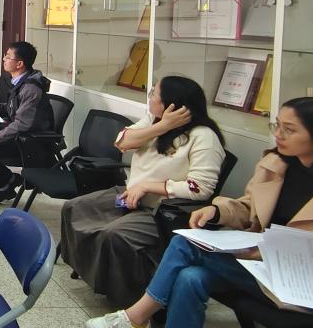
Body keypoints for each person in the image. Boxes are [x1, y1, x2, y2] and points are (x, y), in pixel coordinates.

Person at [87, 97, 313, 328]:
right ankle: (136, 318)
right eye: (277, 125)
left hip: (304, 282)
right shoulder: (276, 164)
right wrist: (216, 211)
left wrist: (268, 251)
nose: (278, 134)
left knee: (184, 244)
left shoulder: (205, 137)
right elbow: (250, 207)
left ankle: (135, 317)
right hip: (262, 267)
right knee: (190, 277)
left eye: (289, 130)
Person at [61, 76, 227, 305]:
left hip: (162, 210)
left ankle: (128, 298)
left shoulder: (204, 137)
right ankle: (92, 272)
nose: (149, 98)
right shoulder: (153, 121)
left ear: (171, 104)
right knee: (74, 208)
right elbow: (122, 142)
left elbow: (200, 188)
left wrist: (148, 186)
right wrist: (162, 126)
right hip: (130, 195)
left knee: (115, 234)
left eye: (153, 94)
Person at [0, 41, 55, 205]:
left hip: (29, 142)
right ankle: (7, 181)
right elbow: (12, 107)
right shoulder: (20, 81)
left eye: (8, 56)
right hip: (18, 135)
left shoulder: (31, 88)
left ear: (19, 64)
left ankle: (3, 186)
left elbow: (22, 124)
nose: (4, 59)